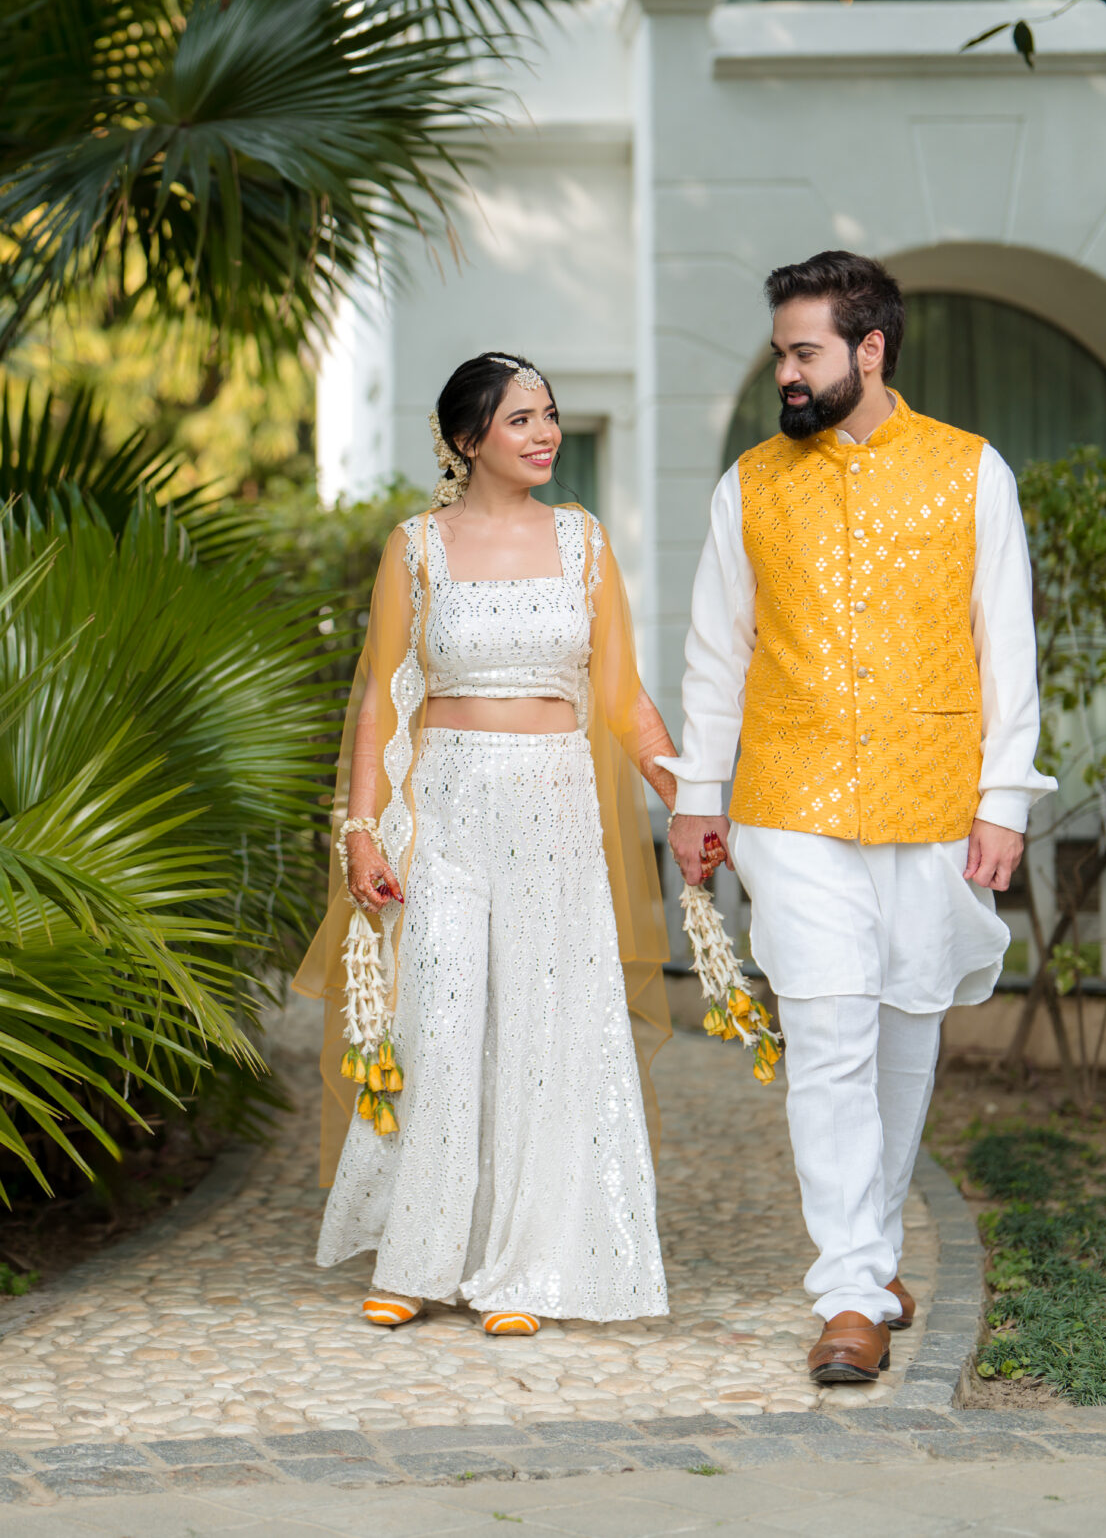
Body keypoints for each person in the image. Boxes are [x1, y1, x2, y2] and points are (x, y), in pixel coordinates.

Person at [661, 251, 1055, 1385]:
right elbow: (716, 653)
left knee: (905, 1033)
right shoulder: (748, 486)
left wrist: (1004, 800)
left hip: (934, 799)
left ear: (868, 350)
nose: (785, 372)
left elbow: (1006, 644)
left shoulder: (971, 471)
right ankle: (847, 1294)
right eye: (780, 352)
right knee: (829, 1033)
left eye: (805, 352)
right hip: (791, 804)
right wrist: (698, 793)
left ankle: (870, 1257)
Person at [292, 352, 682, 1337]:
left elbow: (620, 692)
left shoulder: (584, 541)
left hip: (555, 809)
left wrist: (683, 793)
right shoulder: (416, 547)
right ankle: (420, 1257)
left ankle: (528, 1266)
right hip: (446, 812)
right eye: (521, 419)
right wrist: (361, 831)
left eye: (548, 414)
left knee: (546, 1027)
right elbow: (382, 696)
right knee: (441, 1015)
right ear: (468, 440)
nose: (545, 433)